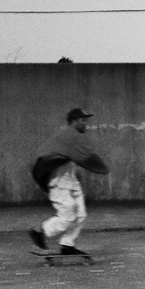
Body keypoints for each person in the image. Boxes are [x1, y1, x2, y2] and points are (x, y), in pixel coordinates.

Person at [29, 108, 109, 256]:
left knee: (81, 214)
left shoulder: (71, 137)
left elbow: (72, 157)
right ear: (74, 121)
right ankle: (40, 232)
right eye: (83, 121)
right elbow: (86, 156)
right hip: (59, 183)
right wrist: (101, 167)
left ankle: (67, 245)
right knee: (67, 216)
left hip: (71, 182)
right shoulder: (68, 135)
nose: (85, 124)